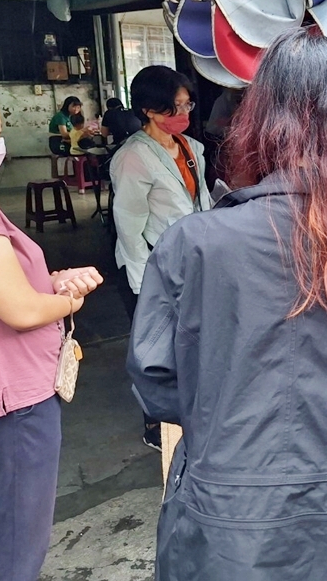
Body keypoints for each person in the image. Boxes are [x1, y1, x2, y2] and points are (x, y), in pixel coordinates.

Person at [126, 29, 327, 581]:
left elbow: (157, 384)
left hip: (229, 530)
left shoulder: (194, 243)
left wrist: (229, 415)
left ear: (260, 124)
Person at [0, 71, 102, 581]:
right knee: (13, 549)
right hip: (7, 404)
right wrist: (68, 300)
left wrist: (49, 280)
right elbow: (19, 310)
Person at [110, 66, 211, 451]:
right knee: (157, 347)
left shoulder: (189, 147)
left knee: (190, 341)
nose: (183, 114)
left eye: (187, 104)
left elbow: (199, 200)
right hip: (152, 265)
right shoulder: (134, 158)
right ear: (150, 110)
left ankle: (191, 414)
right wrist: (141, 284)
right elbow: (129, 226)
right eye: (174, 107)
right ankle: (155, 424)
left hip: (191, 260)